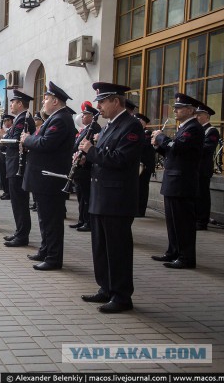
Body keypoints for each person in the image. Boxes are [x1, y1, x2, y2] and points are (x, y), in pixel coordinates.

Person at [78, 82, 144, 313]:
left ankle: (121, 296)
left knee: (118, 250)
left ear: (116, 101)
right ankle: (105, 288)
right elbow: (102, 158)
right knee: (101, 248)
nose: (99, 106)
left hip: (117, 200)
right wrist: (85, 160)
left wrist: (91, 152)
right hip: (101, 196)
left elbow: (120, 160)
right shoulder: (107, 127)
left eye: (102, 101)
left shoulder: (131, 126)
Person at [20, 82, 76, 270]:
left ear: (55, 100)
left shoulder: (61, 119)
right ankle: (45, 250)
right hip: (43, 177)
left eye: (45, 99)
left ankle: (53, 257)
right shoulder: (55, 117)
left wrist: (28, 140)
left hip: (50, 177)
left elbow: (46, 144)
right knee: (45, 218)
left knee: (52, 220)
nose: (43, 102)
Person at [151, 93, 205, 269]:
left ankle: (186, 257)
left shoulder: (194, 128)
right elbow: (173, 153)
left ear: (190, 110)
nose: (175, 110)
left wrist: (161, 137)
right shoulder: (184, 127)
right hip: (174, 180)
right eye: (175, 107)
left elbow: (179, 147)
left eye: (179, 107)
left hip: (182, 182)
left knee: (183, 222)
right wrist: (159, 146)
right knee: (173, 220)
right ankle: (173, 251)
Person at [2, 91, 36, 247]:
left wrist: (3, 136)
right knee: (16, 202)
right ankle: (19, 231)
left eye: (13, 102)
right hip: (13, 164)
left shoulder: (24, 119)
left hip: (18, 165)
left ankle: (22, 235)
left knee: (20, 202)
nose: (11, 105)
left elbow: (16, 141)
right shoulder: (20, 119)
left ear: (20, 104)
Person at [70, 104, 101, 232]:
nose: (82, 116)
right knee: (81, 196)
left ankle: (88, 222)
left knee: (86, 196)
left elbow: (90, 147)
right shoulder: (85, 128)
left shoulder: (94, 128)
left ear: (92, 116)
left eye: (85, 114)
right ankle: (82, 219)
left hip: (86, 167)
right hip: (80, 166)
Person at [195, 104, 220, 230]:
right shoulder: (196, 129)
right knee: (195, 194)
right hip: (194, 168)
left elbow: (207, 148)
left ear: (207, 116)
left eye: (200, 115)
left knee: (202, 195)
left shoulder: (211, 131)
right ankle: (195, 218)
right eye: (196, 114)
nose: (197, 117)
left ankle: (202, 221)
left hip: (203, 168)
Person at [135, 113, 156, 217]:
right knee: (137, 188)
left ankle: (140, 210)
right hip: (138, 165)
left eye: (139, 121)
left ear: (143, 123)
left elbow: (144, 145)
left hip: (145, 165)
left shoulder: (147, 133)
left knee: (142, 188)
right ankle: (136, 208)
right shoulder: (138, 133)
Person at [0, 114, 13, 200]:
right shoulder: (6, 131)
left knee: (7, 175)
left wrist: (3, 136)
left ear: (11, 121)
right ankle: (6, 191)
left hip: (8, 154)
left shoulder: (9, 131)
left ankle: (8, 192)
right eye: (5, 121)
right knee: (3, 174)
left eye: (7, 121)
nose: (6, 122)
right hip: (2, 154)